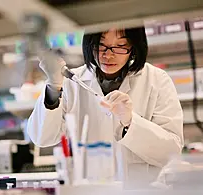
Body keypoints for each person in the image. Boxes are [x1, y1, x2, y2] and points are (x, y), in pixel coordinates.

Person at [28, 27, 184, 187]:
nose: (108, 55)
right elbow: (42, 137)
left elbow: (171, 152)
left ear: (134, 47)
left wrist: (130, 122)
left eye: (120, 46)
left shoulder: (156, 81)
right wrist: (54, 88)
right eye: (101, 46)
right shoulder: (71, 82)